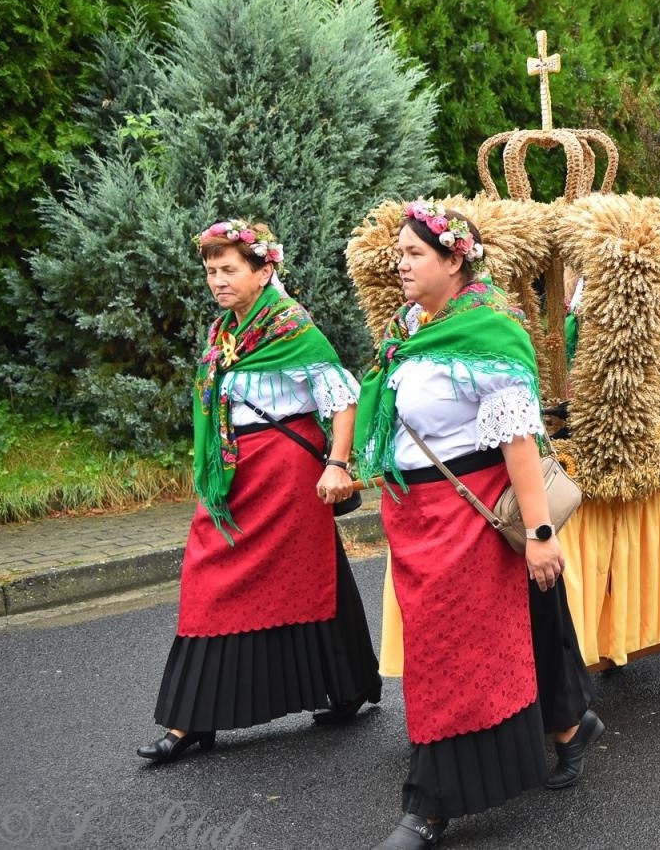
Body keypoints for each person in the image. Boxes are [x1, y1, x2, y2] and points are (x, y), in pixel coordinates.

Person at [353, 202, 591, 850]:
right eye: (398, 253)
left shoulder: (490, 332)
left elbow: (518, 441)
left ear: (455, 260)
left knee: (448, 661)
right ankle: (568, 724)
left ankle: (428, 806)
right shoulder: (411, 327)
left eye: (413, 254)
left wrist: (541, 536)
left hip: (468, 520)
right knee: (512, 632)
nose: (399, 264)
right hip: (417, 518)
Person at [139, 220, 381, 764]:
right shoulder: (223, 331)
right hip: (232, 473)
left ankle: (341, 690)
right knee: (208, 580)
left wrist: (338, 465)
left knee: (307, 575)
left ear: (264, 269)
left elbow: (342, 400)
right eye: (210, 271)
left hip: (285, 470)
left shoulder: (293, 328)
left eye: (229, 270)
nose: (217, 281)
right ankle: (195, 721)